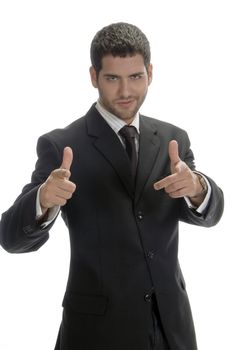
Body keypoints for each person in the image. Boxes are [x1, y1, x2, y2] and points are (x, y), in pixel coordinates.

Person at [0, 22, 224, 350]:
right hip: (97, 332)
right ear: (94, 77)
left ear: (150, 72)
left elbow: (211, 213)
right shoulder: (62, 145)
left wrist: (197, 188)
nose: (125, 92)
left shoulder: (173, 140)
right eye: (112, 78)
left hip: (172, 328)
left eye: (135, 77)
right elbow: (9, 237)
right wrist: (42, 201)